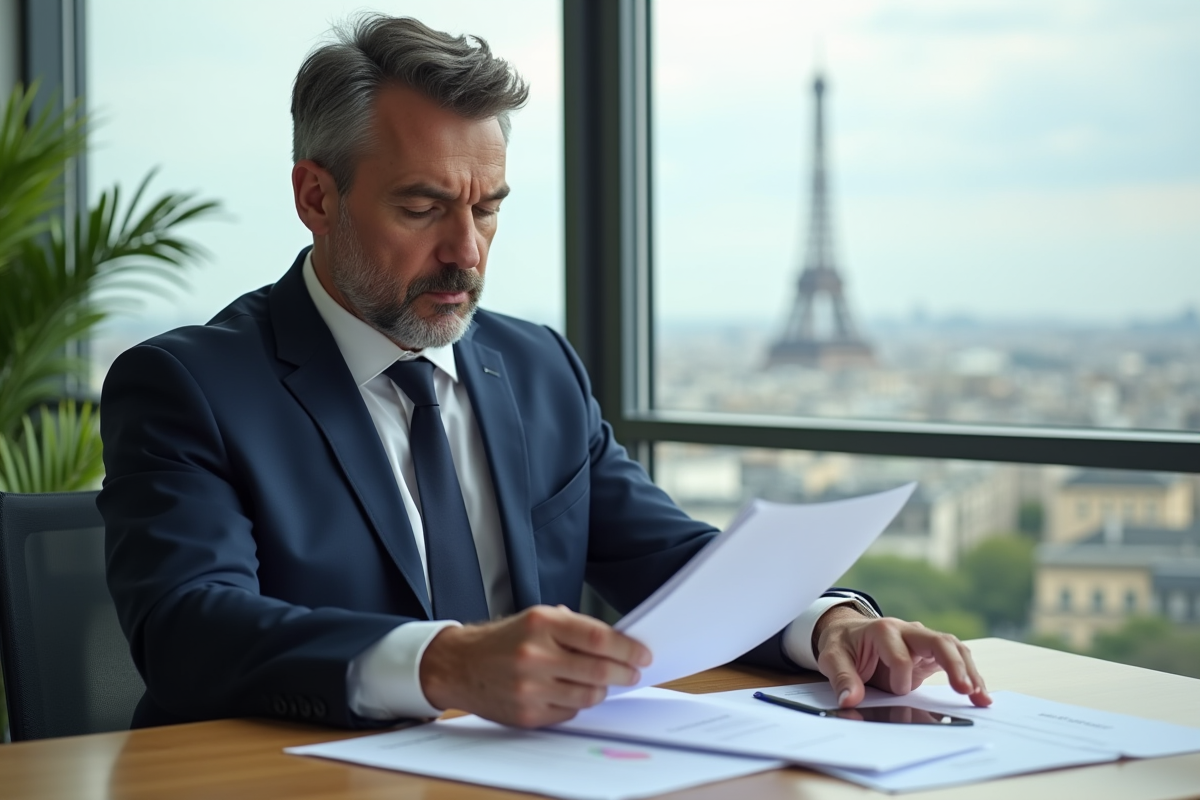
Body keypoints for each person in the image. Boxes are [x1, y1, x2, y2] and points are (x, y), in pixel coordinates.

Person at [100, 14, 990, 731]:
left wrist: (828, 622)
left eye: (489, 209)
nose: (467, 252)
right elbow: (189, 628)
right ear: (316, 197)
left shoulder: (536, 366)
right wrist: (444, 662)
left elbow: (672, 563)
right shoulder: (189, 387)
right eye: (424, 206)